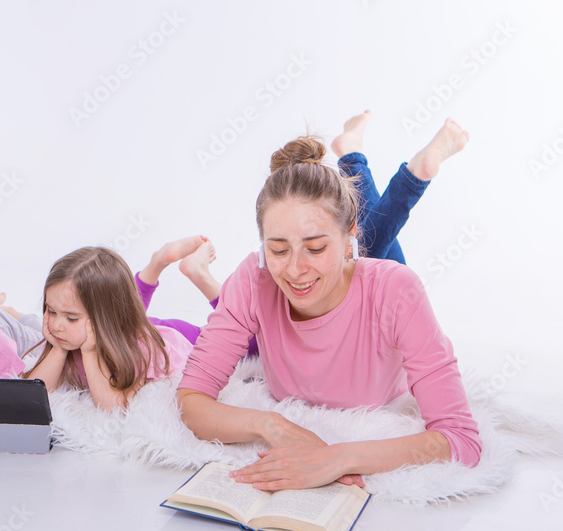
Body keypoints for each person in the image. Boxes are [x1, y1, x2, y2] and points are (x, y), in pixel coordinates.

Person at [175, 116, 481, 491]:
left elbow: (461, 439)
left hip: (373, 282)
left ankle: (363, 157)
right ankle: (353, 153)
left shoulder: (397, 291)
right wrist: (271, 424)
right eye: (278, 249)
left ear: (350, 234)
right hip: (351, 273)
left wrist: (337, 457)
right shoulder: (253, 278)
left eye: (316, 247)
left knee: (383, 243)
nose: (295, 270)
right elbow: (191, 398)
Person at [136, 110, 455, 356]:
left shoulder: (121, 332)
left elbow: (125, 314)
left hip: (226, 337)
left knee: (357, 255)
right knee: (361, 251)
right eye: (279, 249)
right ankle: (357, 157)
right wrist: (159, 263)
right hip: (242, 340)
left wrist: (158, 262)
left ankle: (393, 172)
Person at [22, 247, 193, 410]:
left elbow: (115, 408)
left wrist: (90, 353)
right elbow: (31, 396)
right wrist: (58, 349)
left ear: (105, 319)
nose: (56, 326)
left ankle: (172, 265)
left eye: (71, 318)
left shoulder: (141, 350)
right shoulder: (67, 338)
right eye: (52, 311)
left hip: (186, 334)